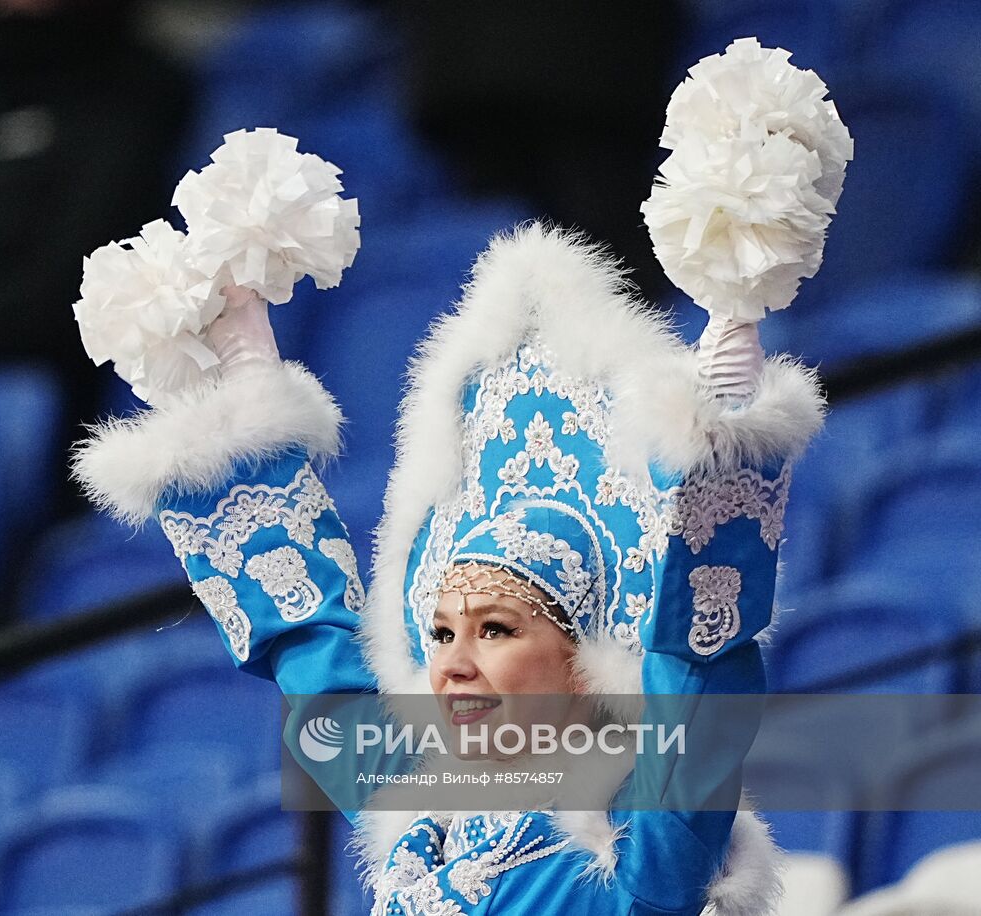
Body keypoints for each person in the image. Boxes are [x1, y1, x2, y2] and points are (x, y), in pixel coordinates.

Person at [73, 220, 821, 913]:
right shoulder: (421, 802)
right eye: (439, 634)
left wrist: (723, 398)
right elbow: (315, 655)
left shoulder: (633, 845)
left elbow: (697, 670)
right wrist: (242, 385)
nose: (453, 666)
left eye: (495, 629)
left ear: (581, 662)